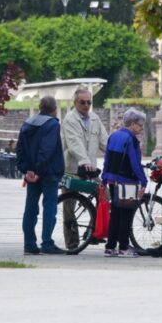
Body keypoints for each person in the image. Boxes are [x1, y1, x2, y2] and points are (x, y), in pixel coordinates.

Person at [15, 95, 64, 254]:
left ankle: (29, 243)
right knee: (49, 208)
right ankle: (47, 243)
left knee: (30, 208)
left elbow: (20, 149)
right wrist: (39, 170)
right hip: (48, 173)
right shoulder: (52, 124)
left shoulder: (27, 123)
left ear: (40, 107)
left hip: (30, 174)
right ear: (54, 109)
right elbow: (47, 150)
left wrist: (27, 170)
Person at [60, 90, 105, 250]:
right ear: (75, 103)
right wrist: (84, 161)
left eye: (89, 102)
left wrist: (118, 153)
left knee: (104, 195)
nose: (86, 105)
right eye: (82, 102)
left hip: (90, 169)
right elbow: (74, 143)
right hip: (72, 168)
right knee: (69, 207)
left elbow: (104, 141)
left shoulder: (94, 118)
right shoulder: (70, 119)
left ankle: (92, 232)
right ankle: (72, 243)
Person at [102, 108, 150, 257]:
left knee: (115, 213)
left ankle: (110, 247)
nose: (142, 128)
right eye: (141, 125)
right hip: (127, 181)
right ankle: (123, 247)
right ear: (133, 124)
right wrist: (143, 179)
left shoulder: (113, 136)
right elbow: (135, 164)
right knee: (126, 214)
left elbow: (107, 159)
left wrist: (104, 178)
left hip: (112, 179)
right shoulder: (131, 140)